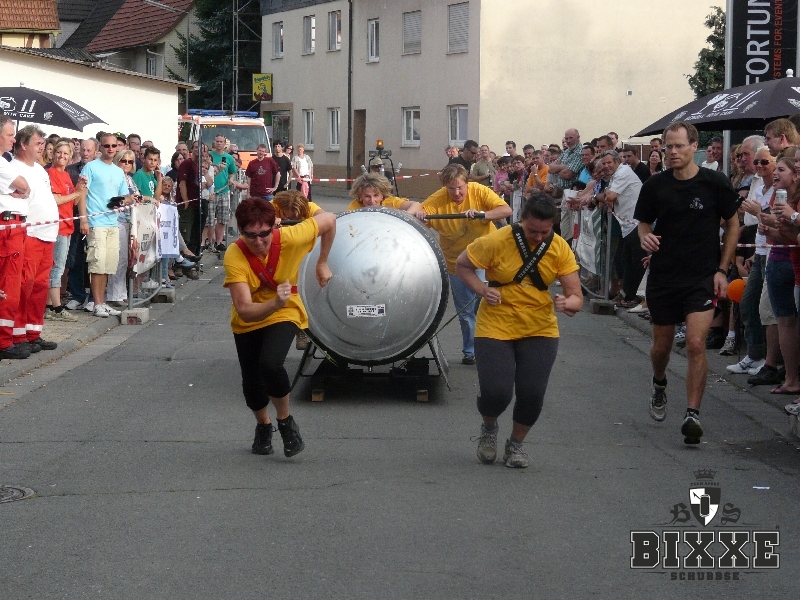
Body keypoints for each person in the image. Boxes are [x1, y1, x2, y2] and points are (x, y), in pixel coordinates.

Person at [456, 194, 582, 468]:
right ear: (521, 220)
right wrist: (482, 290)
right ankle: (489, 429)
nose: (538, 237)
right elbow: (463, 265)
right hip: (496, 323)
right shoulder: (497, 240)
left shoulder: (559, 247)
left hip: (539, 327)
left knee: (532, 394)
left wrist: (566, 303)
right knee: (496, 392)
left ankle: (515, 445)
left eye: (544, 232)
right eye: (532, 230)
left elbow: (577, 298)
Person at [634, 121, 740, 445]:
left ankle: (692, 414)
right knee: (661, 348)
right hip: (664, 277)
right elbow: (643, 223)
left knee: (695, 343)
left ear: (695, 146)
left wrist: (722, 269)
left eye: (679, 146)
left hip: (701, 276)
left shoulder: (715, 182)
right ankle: (659, 382)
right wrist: (645, 238)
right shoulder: (655, 185)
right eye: (668, 146)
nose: (672, 152)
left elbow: (733, 225)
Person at [223, 197, 336, 457]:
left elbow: (329, 220)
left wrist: (322, 261)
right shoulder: (234, 254)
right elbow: (245, 309)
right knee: (251, 380)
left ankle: (285, 421)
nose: (258, 241)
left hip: (285, 309)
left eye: (264, 233)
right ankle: (263, 426)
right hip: (251, 315)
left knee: (270, 364)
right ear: (241, 231)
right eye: (250, 235)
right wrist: (274, 301)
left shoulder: (291, 237)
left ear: (274, 226)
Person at [415, 163, 512, 365]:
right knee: (465, 312)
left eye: (460, 188)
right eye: (451, 189)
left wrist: (483, 214)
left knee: (486, 306)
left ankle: (491, 347)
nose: (457, 193)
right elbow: (415, 216)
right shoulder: (437, 200)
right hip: (457, 264)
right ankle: (471, 351)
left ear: (467, 183)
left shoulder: (479, 191)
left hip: (484, 259)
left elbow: (506, 210)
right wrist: (420, 216)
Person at [11, 126, 60, 353]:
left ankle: (33, 332)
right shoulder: (14, 168)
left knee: (40, 286)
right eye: (38, 144)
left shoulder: (40, 170)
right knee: (24, 285)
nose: (42, 148)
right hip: (29, 234)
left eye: (43, 144)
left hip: (47, 235)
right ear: (23, 145)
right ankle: (17, 333)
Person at [78, 132, 135, 317]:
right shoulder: (90, 167)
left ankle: (102, 302)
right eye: (106, 145)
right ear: (100, 148)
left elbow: (124, 196)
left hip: (113, 222)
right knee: (97, 264)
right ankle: (97, 303)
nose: (110, 149)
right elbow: (81, 195)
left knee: (108, 265)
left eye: (113, 146)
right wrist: (84, 219)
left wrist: (124, 200)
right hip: (96, 222)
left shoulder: (118, 171)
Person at [0, 117, 32, 359]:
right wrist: (20, 189)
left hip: (14, 225)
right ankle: (3, 342)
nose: (14, 139)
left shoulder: (5, 161)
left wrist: (22, 189)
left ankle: (7, 337)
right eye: (10, 135)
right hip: (7, 225)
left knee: (13, 284)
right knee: (7, 285)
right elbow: (23, 185)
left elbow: (25, 188)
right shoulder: (2, 164)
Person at [45, 140, 82, 322]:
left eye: (65, 153)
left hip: (67, 225)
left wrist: (80, 188)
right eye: (59, 152)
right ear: (53, 154)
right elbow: (57, 199)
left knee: (60, 265)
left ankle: (49, 305)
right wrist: (77, 193)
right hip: (57, 225)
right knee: (57, 267)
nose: (62, 156)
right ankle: (56, 307)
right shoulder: (51, 173)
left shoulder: (66, 174)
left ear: (70, 157)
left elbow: (73, 202)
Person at [209, 134, 238, 251]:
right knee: (210, 219)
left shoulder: (229, 158)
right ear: (214, 142)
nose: (219, 143)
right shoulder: (209, 155)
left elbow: (232, 172)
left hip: (224, 191)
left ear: (224, 144)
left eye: (221, 142)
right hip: (211, 191)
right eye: (217, 141)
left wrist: (231, 179)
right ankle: (210, 241)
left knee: (222, 219)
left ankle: (219, 242)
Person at [346, 173, 421, 213]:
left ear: (382, 195)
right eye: (367, 196)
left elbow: (416, 205)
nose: (372, 200)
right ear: (360, 197)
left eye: (376, 195)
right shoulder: (354, 207)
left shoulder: (390, 201)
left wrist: (406, 215)